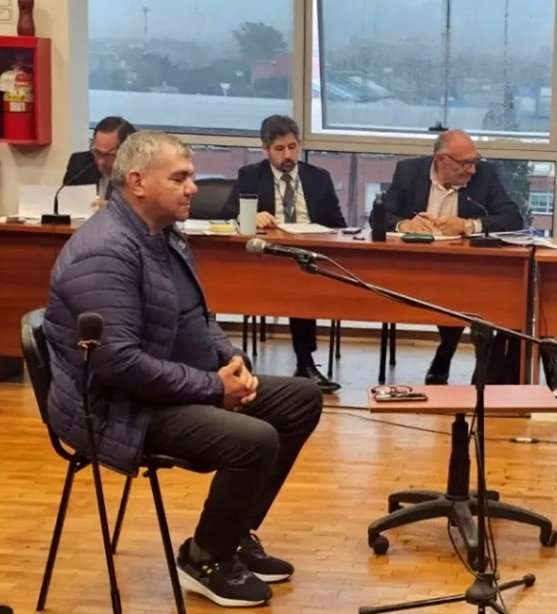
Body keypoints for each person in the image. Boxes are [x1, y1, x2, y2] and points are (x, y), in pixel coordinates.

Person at [44, 132, 323, 608]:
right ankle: (207, 558)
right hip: (118, 407)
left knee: (301, 399)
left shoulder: (163, 234)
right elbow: (118, 363)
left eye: (190, 176)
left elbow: (198, 315)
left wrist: (231, 360)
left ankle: (231, 533)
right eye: (179, 178)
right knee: (255, 440)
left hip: (170, 383)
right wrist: (212, 387)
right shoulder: (106, 251)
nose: (193, 187)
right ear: (137, 182)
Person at [382, 129, 524, 384]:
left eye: (474, 161)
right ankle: (446, 352)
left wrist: (467, 225)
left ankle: (459, 362)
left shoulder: (485, 175)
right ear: (441, 160)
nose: (472, 170)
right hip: (414, 267)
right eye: (464, 163)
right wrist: (404, 225)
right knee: (448, 297)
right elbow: (381, 215)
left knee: (467, 298)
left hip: (466, 269)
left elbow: (512, 218)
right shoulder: (408, 172)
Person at [225, 115, 346, 393]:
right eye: (280, 149)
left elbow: (339, 224)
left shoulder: (319, 178)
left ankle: (305, 363)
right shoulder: (250, 176)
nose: (288, 155)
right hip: (266, 258)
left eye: (292, 147)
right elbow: (227, 212)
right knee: (294, 281)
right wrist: (250, 215)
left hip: (307, 256)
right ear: (265, 149)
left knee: (301, 282)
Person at [62, 115, 136, 204]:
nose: (100, 161)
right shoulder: (79, 166)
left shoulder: (139, 175)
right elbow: (66, 205)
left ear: (127, 151)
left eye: (108, 155)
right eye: (97, 152)